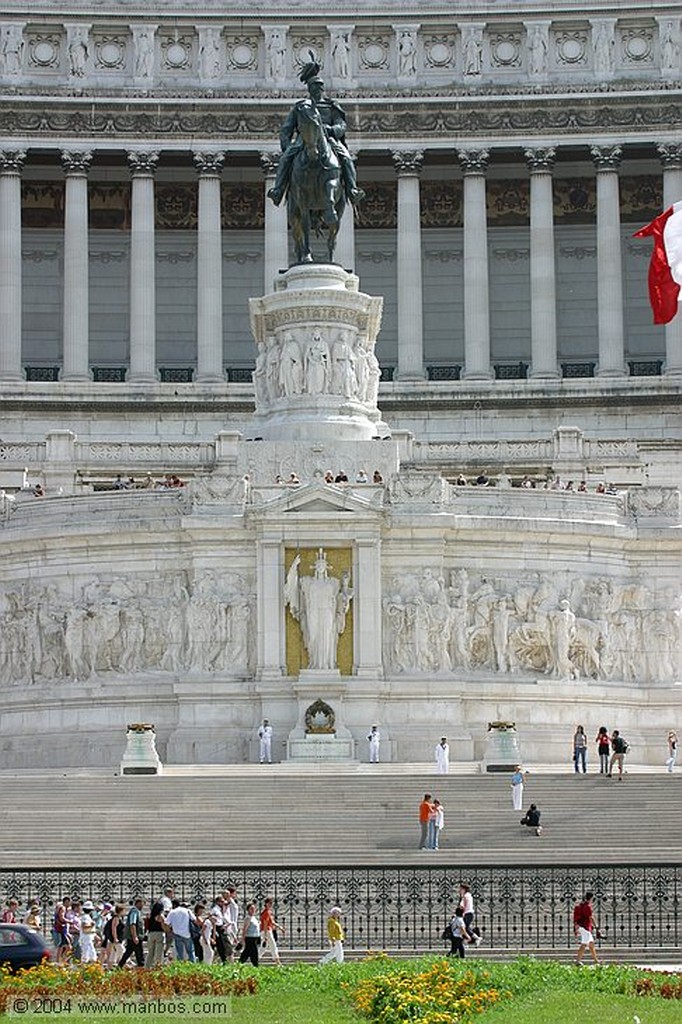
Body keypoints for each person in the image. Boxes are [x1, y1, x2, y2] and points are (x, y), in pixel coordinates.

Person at [267, 57, 364, 208]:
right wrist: (287, 148)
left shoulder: (331, 106)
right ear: (309, 89)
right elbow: (286, 129)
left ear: (322, 89)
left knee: (346, 158)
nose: (317, 90)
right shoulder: (301, 107)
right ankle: (278, 190)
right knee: (285, 159)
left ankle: (352, 189)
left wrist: (332, 129)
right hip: (303, 141)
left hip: (328, 140)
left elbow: (341, 124)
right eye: (314, 87)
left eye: (319, 87)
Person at [118, 898, 145, 968]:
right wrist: (134, 936)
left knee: (128, 952)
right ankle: (141, 967)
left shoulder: (137, 912)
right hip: (135, 936)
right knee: (139, 954)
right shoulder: (134, 912)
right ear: (138, 903)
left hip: (134, 936)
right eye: (142, 904)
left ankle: (120, 965)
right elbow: (132, 924)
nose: (143, 906)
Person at [573, 891, 599, 965]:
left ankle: (596, 960)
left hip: (583, 927)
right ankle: (577, 961)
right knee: (584, 944)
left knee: (591, 944)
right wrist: (596, 926)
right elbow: (590, 917)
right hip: (585, 927)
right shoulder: (588, 907)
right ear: (591, 898)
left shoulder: (582, 905)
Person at [259, 897, 283, 965]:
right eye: (269, 903)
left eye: (271, 903)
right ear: (266, 903)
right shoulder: (266, 912)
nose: (270, 904)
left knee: (263, 947)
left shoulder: (268, 912)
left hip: (266, 931)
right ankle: (278, 962)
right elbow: (265, 923)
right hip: (267, 931)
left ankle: (255, 959)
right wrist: (266, 935)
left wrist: (279, 927)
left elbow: (271, 922)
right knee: (273, 945)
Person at [145, 899, 168, 967]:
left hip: (151, 934)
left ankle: (147, 967)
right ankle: (157, 967)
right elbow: (163, 927)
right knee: (159, 953)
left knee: (150, 953)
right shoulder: (160, 916)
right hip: (159, 934)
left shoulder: (150, 915)